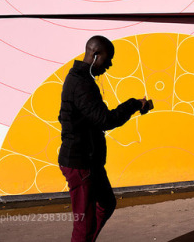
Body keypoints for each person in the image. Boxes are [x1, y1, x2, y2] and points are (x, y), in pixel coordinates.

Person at [58, 35, 148, 242]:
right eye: (108, 59)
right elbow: (105, 120)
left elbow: (65, 114)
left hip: (90, 161)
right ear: (96, 54)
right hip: (80, 164)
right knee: (84, 225)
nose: (110, 64)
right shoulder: (80, 83)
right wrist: (134, 104)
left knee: (106, 203)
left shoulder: (81, 79)